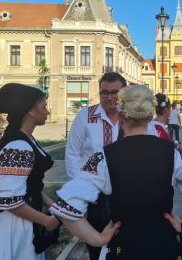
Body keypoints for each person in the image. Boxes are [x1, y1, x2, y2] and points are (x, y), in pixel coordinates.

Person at [50, 85, 182, 259]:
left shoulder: (104, 157)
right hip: (165, 247)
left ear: (121, 117)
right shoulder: (173, 151)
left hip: (124, 248)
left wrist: (97, 239)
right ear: (149, 116)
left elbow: (65, 205)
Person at [0, 83, 59, 260]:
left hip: (27, 218)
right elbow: (9, 201)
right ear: (30, 111)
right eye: (44, 107)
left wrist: (53, 206)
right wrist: (46, 221)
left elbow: (31, 186)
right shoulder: (17, 146)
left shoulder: (26, 139)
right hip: (16, 226)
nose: (47, 112)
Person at [65, 72, 127, 259]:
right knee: (97, 246)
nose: (109, 97)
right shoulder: (86, 115)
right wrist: (82, 195)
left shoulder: (132, 117)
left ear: (124, 92)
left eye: (114, 92)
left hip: (125, 193)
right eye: (104, 92)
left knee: (126, 245)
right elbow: (72, 154)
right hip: (95, 196)